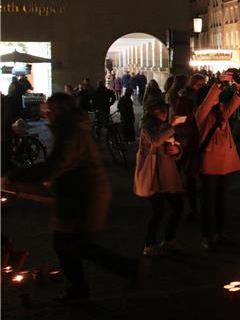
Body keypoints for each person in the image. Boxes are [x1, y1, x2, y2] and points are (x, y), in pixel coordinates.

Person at [4, 93, 144, 302]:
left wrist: (13, 176)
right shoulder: (69, 129)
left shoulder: (70, 132)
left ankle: (127, 270)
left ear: (60, 110)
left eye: (49, 110)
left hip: (83, 195)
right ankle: (84, 286)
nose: (46, 114)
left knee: (75, 245)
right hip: (77, 193)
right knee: (70, 245)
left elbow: (55, 165)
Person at [195, 70, 240, 249]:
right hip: (209, 162)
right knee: (208, 200)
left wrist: (239, 88)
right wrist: (218, 84)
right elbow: (208, 102)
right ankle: (206, 236)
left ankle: (220, 233)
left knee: (221, 200)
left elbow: (233, 105)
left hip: (224, 161)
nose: (219, 101)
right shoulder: (201, 114)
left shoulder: (222, 111)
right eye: (216, 98)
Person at [134, 101, 185, 256]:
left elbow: (174, 145)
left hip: (166, 173)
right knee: (158, 210)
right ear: (154, 112)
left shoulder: (164, 126)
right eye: (161, 111)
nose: (164, 114)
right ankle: (149, 245)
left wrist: (176, 150)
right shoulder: (147, 127)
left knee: (177, 206)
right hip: (152, 174)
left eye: (165, 111)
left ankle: (169, 239)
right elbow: (156, 140)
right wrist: (172, 125)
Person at [174, 74, 206, 221]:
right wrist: (190, 119)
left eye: (202, 84)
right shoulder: (185, 98)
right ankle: (190, 206)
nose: (200, 86)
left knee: (191, 173)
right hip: (188, 138)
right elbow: (178, 117)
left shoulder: (196, 96)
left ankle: (191, 204)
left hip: (194, 137)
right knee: (190, 173)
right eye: (198, 84)